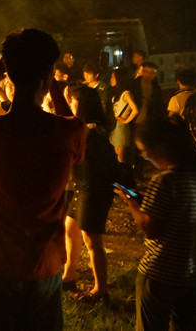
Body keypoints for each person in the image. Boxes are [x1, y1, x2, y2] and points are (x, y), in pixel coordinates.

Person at [0, 28, 86, 331]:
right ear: (48, 72)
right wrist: (53, 84)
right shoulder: (68, 132)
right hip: (43, 268)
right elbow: (71, 121)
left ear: (7, 72)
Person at [115, 119, 196, 331]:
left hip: (161, 273)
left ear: (162, 148)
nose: (144, 157)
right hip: (195, 273)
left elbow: (149, 228)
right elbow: (183, 211)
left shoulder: (164, 181)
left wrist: (131, 202)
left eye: (145, 151)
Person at [61, 86, 117, 303]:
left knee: (91, 239)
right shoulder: (90, 126)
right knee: (70, 228)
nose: (69, 105)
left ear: (81, 104)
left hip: (95, 188)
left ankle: (100, 290)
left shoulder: (90, 129)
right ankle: (69, 275)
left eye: (71, 100)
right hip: (84, 186)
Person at [110, 67, 140, 166]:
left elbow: (135, 110)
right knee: (115, 154)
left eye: (113, 77)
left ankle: (121, 178)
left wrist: (126, 121)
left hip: (121, 127)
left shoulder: (126, 93)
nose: (111, 79)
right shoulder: (117, 93)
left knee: (120, 156)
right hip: (115, 125)